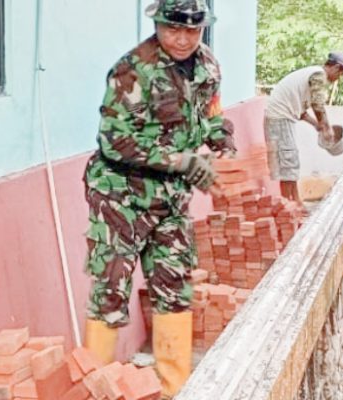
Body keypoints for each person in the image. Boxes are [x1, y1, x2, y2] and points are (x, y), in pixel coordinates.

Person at [81, 0, 235, 396]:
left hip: (170, 200)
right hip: (120, 196)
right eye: (173, 29)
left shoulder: (208, 67)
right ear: (158, 24)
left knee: (174, 287)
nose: (182, 39)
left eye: (192, 30)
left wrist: (222, 142)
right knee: (110, 292)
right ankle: (93, 387)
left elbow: (212, 114)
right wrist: (183, 161)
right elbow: (116, 141)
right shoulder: (133, 69)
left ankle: (173, 388)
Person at [264, 51, 343, 203]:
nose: (339, 78)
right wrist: (326, 127)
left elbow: (301, 112)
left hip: (280, 118)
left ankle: (295, 203)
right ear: (336, 67)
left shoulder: (311, 75)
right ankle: (289, 207)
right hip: (279, 119)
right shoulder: (319, 75)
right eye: (341, 74)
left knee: (291, 165)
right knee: (288, 165)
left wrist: (317, 125)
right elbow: (317, 104)